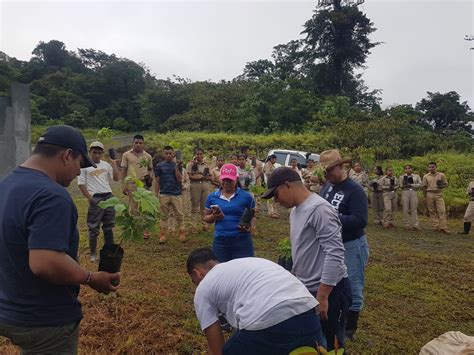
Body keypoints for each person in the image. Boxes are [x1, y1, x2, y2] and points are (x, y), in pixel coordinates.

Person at [0, 125, 120, 354]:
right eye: (79, 164)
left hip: (7, 308)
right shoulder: (51, 195)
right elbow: (45, 263)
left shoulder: (5, 185)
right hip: (43, 318)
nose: (78, 173)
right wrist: (90, 277)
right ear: (66, 155)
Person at [261, 167, 351, 351]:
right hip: (308, 288)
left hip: (329, 291)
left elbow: (334, 253)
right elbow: (303, 249)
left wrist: (323, 295)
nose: (276, 201)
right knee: (314, 342)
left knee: (333, 344)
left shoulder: (319, 210)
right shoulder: (295, 211)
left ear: (287, 185)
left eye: (276, 195)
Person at [187, 248, 323, 355]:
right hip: (309, 313)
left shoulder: (203, 288)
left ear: (197, 273)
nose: (197, 286)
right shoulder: (249, 263)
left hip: (270, 322)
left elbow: (216, 347)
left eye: (195, 282)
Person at [319, 150, 369, 341]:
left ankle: (350, 329)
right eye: (325, 171)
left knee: (354, 286)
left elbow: (360, 220)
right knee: (337, 283)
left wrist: (333, 218)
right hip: (332, 245)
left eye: (330, 170)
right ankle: (338, 321)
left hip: (351, 244)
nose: (328, 175)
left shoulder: (354, 190)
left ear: (341, 167)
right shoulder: (328, 187)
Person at [78, 141, 121, 262]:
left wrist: (114, 164)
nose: (97, 155)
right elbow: (81, 184)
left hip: (108, 196)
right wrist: (89, 198)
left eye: (99, 153)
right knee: (93, 228)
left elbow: (117, 178)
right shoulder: (84, 166)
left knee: (109, 226)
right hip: (95, 197)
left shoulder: (106, 165)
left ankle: (109, 251)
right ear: (90, 152)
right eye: (94, 152)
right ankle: (93, 253)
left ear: (102, 153)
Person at [203, 164, 256, 262]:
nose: (226, 183)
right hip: (220, 241)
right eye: (224, 180)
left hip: (242, 240)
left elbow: (253, 215)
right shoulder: (212, 197)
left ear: (236, 179)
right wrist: (213, 216)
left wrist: (250, 228)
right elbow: (206, 218)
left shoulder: (246, 197)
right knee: (221, 269)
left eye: (230, 180)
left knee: (243, 269)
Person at [120, 134, 154, 239]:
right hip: (132, 183)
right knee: (133, 206)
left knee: (145, 206)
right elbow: (123, 170)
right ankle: (135, 229)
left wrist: (150, 178)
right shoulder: (126, 155)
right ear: (132, 143)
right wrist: (124, 185)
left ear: (143, 144)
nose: (138, 145)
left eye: (140, 143)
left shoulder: (147, 156)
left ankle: (146, 229)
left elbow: (150, 169)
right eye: (136, 142)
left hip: (144, 183)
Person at [154, 146, 186, 244]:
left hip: (176, 193)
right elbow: (157, 181)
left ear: (173, 154)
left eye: (170, 153)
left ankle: (182, 233)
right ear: (163, 154)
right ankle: (163, 234)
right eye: (166, 153)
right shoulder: (159, 166)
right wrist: (156, 194)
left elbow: (180, 179)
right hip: (164, 193)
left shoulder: (178, 165)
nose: (168, 155)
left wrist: (176, 167)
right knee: (163, 215)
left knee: (179, 214)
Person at [187, 148, 212, 233]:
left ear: (203, 155)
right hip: (195, 185)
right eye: (197, 154)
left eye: (201, 154)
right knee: (194, 206)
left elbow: (210, 177)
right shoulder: (190, 164)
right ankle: (193, 226)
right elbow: (189, 176)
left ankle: (205, 225)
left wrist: (202, 176)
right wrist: (199, 177)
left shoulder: (206, 165)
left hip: (205, 185)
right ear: (195, 155)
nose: (199, 156)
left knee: (204, 206)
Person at [422, 162, 450, 234]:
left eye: (433, 167)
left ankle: (443, 227)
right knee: (432, 210)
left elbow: (446, 184)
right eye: (430, 167)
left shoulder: (441, 175)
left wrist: (441, 186)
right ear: (428, 168)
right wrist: (425, 196)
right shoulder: (426, 176)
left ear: (436, 167)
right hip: (429, 193)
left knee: (442, 210)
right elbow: (424, 187)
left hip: (438, 193)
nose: (431, 168)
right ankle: (435, 225)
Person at [399, 165, 422, 231]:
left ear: (412, 169)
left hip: (413, 191)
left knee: (414, 209)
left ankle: (415, 224)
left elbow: (420, 184)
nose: (407, 169)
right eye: (406, 168)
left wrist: (411, 184)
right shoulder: (402, 176)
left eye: (409, 168)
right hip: (405, 191)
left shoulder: (416, 176)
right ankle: (406, 224)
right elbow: (400, 185)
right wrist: (404, 184)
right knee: (405, 208)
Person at [263, 154, 279, 218]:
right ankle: (270, 212)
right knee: (270, 198)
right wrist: (275, 173)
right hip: (270, 183)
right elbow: (267, 173)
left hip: (273, 182)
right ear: (271, 159)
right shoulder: (267, 164)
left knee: (273, 198)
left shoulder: (271, 165)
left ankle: (274, 211)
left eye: (275, 159)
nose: (275, 160)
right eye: (274, 159)